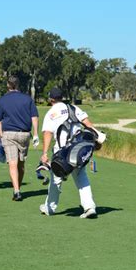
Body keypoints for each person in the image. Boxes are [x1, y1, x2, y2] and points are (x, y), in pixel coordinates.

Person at [40, 88, 101, 218]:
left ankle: (49, 208)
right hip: (77, 149)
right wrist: (97, 138)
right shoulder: (73, 108)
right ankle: (89, 207)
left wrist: (44, 153)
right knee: (81, 177)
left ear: (51, 99)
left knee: (56, 180)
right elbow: (88, 124)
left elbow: (47, 133)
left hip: (61, 152)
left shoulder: (51, 113)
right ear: (61, 97)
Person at [0, 76, 39, 201]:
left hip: (9, 134)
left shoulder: (2, 100)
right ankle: (18, 188)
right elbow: (34, 117)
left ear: (8, 85)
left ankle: (16, 190)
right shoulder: (27, 99)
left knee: (12, 163)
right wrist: (35, 134)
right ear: (18, 85)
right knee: (21, 163)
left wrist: (1, 134)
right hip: (24, 134)